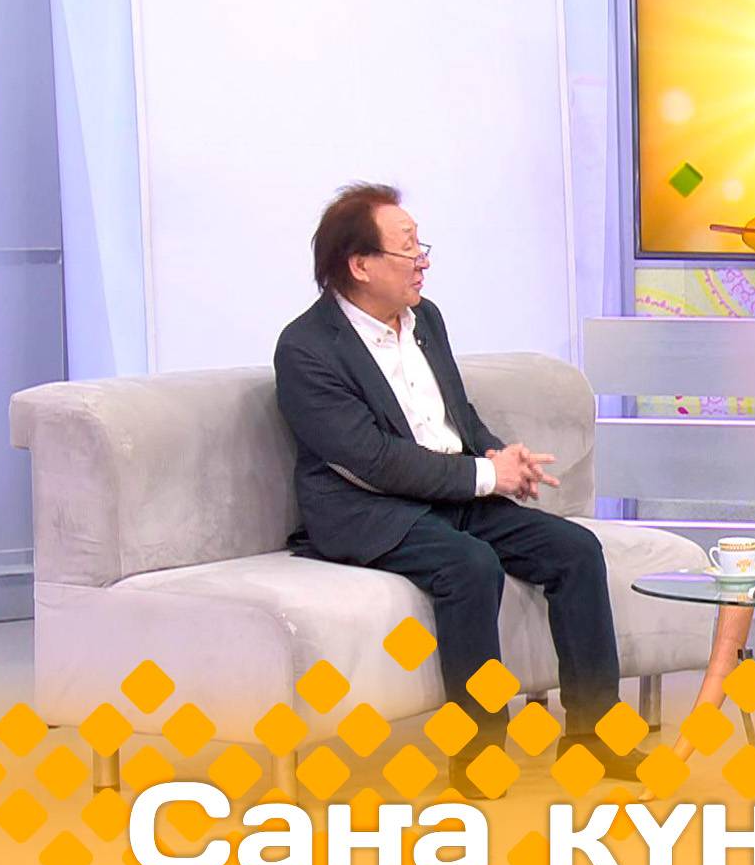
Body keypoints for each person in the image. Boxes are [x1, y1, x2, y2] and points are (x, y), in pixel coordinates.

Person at [274, 183, 640, 794]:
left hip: (450, 491)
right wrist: (485, 476)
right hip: (370, 509)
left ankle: (595, 736)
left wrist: (497, 455)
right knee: (470, 565)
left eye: (423, 247)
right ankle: (477, 754)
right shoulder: (307, 348)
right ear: (360, 265)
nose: (423, 262)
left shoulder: (426, 319)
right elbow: (372, 460)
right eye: (408, 249)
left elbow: (453, 416)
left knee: (575, 550)